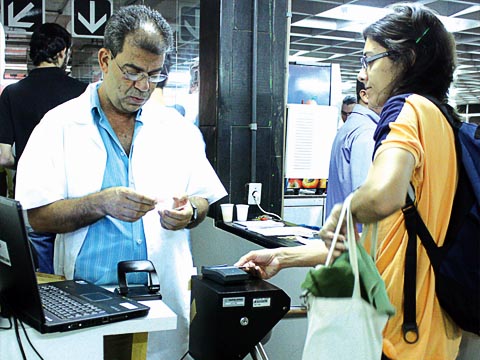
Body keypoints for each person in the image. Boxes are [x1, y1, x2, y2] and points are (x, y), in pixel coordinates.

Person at [236, 3, 462, 359]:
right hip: (433, 334)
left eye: (370, 59)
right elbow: (375, 243)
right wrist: (282, 256)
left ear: (408, 58)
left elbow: (381, 196)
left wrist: (346, 209)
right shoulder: (444, 123)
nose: (362, 74)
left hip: (393, 334)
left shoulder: (405, 109)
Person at [15, 5, 227, 360]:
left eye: (154, 75)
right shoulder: (59, 126)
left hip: (159, 304)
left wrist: (190, 211)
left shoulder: (176, 130)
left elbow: (204, 200)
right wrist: (100, 203)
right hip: (87, 302)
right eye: (132, 72)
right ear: (104, 59)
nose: (143, 86)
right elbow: (36, 216)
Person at [0, 23, 88, 274]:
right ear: (62, 53)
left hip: (32, 197)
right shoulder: (82, 93)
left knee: (43, 277)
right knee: (73, 272)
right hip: (74, 195)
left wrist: (27, 159)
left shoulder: (12, 94)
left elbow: (3, 157)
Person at [325, 79, 379, 218]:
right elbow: (367, 200)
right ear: (365, 95)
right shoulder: (367, 132)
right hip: (357, 236)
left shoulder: (350, 127)